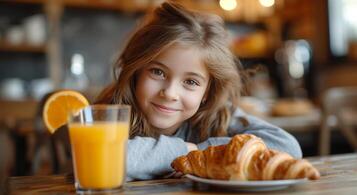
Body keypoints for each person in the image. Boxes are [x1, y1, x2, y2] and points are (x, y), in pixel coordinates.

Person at [96, 1, 302, 181]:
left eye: (191, 82)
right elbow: (102, 158)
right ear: (137, 71)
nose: (170, 93)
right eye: (158, 72)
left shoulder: (216, 116)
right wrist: (187, 152)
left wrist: (205, 153)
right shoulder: (109, 114)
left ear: (207, 93)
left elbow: (288, 146)